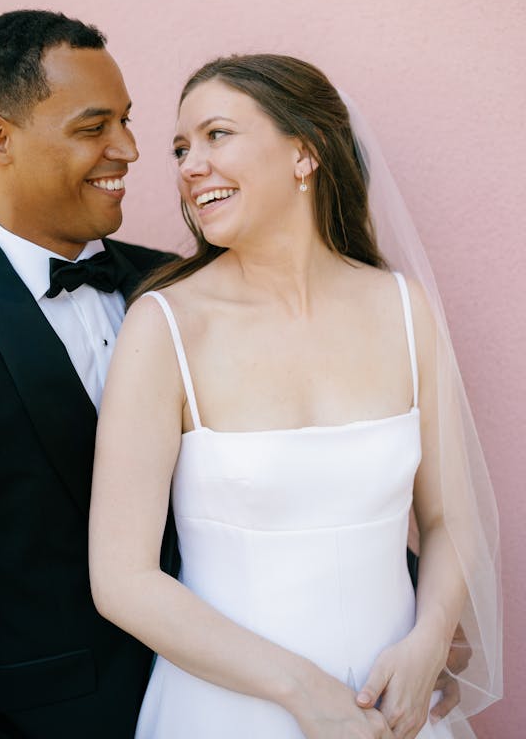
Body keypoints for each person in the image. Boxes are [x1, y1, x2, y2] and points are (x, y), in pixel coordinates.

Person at [89, 54, 502, 738]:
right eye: (181, 149)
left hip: (396, 709)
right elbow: (122, 578)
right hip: (229, 712)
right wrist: (302, 692)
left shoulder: (403, 307)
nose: (190, 166)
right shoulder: (164, 327)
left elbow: (450, 518)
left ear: (303, 152)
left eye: (216, 135)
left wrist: (428, 643)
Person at [0, 10, 175, 738]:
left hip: (228, 702)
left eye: (128, 122)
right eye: (93, 127)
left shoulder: (178, 289)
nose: (129, 149)